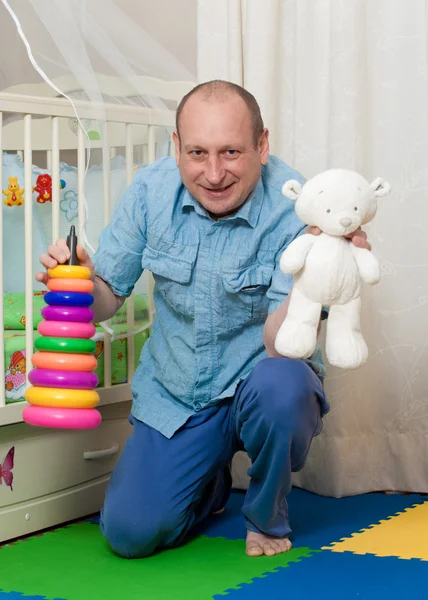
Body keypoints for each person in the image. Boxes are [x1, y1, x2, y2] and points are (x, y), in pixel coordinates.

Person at [37, 80, 370, 559]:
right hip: (179, 394)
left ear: (262, 145)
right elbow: (109, 296)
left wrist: (313, 285)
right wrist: (77, 284)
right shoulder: (150, 192)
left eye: (231, 152)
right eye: (197, 153)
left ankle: (266, 513)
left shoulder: (298, 207)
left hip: (262, 381)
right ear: (176, 146)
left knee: (284, 387)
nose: (213, 173)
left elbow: (282, 347)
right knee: (130, 533)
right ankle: (208, 484)